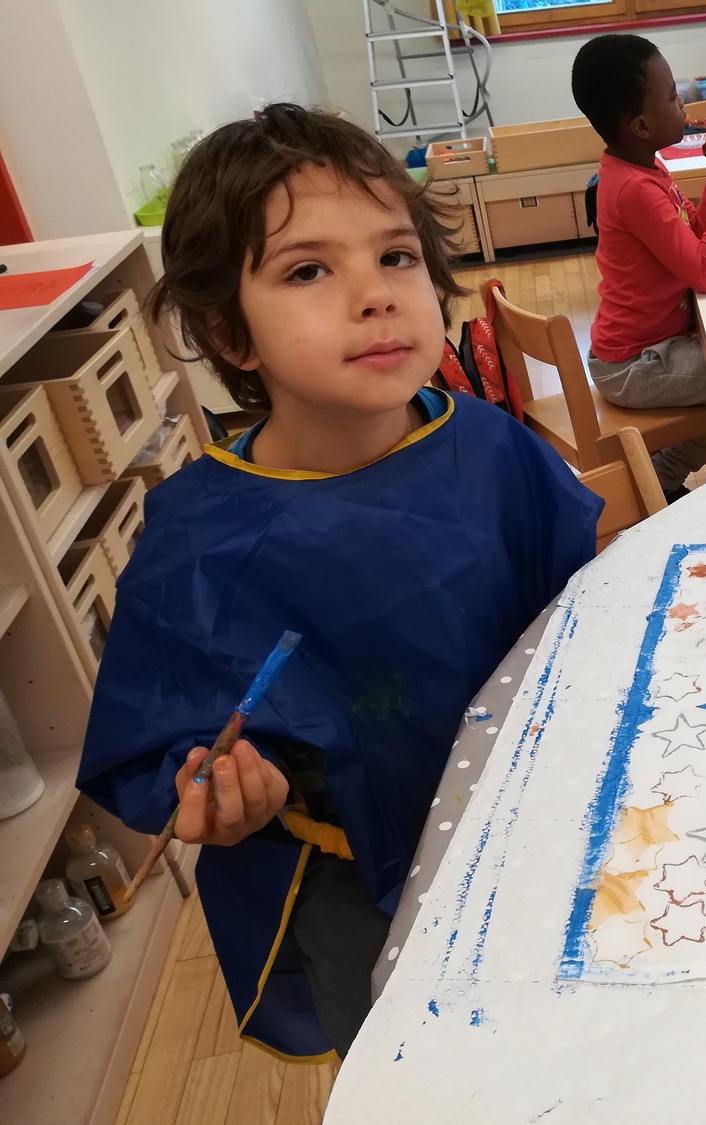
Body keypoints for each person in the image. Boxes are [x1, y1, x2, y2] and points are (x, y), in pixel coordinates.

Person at [75, 105, 602, 1061]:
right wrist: (225, 786)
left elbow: (580, 606)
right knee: (415, 1073)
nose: (375, 295)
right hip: (363, 884)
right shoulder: (201, 540)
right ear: (228, 332)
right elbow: (161, 738)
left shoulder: (485, 442)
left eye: (396, 256)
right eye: (308, 271)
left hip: (538, 828)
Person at [573, 33, 706, 496]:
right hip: (635, 365)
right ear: (641, 126)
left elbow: (696, 242)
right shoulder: (633, 189)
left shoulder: (645, 168)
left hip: (654, 348)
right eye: (673, 96)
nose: (684, 105)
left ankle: (655, 484)